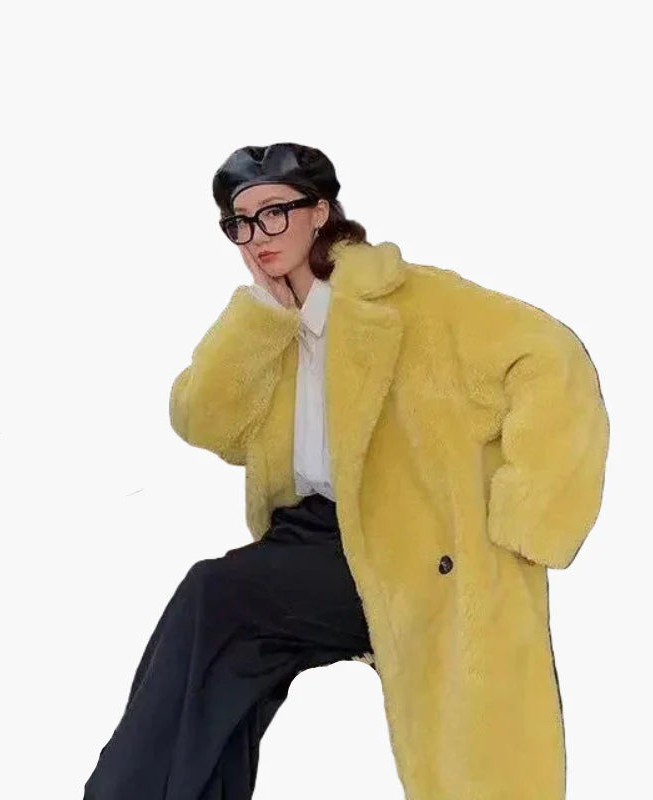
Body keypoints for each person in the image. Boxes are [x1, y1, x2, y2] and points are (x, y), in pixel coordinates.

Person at [83, 142, 610, 800]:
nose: (257, 236)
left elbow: (550, 357)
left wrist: (530, 514)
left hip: (403, 541)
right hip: (307, 536)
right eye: (241, 223)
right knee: (225, 665)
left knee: (214, 599)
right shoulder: (274, 324)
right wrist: (259, 319)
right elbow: (201, 421)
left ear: (320, 212)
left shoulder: (413, 301)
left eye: (274, 213)